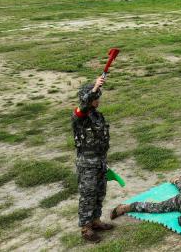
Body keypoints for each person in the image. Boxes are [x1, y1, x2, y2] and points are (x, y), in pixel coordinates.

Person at [73, 76, 113, 243]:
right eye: (95, 97)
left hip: (100, 161)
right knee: (88, 195)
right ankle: (86, 228)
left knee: (99, 193)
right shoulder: (79, 116)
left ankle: (95, 221)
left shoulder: (97, 115)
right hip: (87, 163)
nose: (98, 100)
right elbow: (83, 105)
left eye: (98, 97)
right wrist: (94, 87)